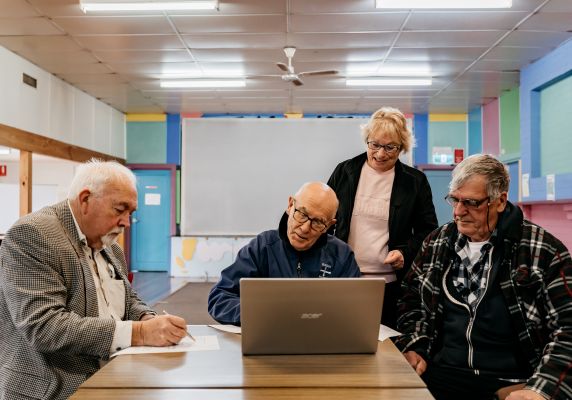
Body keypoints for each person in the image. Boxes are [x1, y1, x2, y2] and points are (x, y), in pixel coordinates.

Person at [0, 159, 188, 399]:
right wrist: (140, 332)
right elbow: (44, 327)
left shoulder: (109, 247)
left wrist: (146, 317)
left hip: (111, 377)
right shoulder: (33, 235)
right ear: (85, 200)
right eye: (119, 210)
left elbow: (127, 299)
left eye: (130, 213)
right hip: (54, 390)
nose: (126, 223)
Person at [395, 154, 572, 400]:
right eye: (454, 200)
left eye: (471, 203)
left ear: (500, 201)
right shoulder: (435, 243)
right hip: (441, 375)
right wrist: (415, 344)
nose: (458, 212)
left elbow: (567, 328)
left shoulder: (543, 251)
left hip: (514, 383)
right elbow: (412, 301)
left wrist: (541, 389)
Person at [327, 106, 438, 328]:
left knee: (385, 348)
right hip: (344, 279)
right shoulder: (345, 171)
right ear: (367, 140)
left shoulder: (414, 182)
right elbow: (324, 215)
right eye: (375, 144)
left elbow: (428, 230)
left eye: (390, 147)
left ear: (402, 147)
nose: (380, 154)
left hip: (390, 286)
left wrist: (404, 253)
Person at [208, 181, 361, 325]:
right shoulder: (263, 247)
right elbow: (220, 298)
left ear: (329, 225)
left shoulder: (342, 255)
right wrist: (259, 314)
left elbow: (357, 310)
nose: (305, 228)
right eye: (301, 213)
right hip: (268, 338)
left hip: (323, 343)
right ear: (290, 205)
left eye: (318, 222)